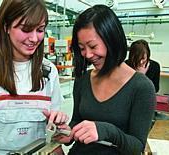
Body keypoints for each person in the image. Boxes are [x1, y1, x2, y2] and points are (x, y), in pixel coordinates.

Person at [0, 0, 68, 154]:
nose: (34, 38)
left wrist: (59, 126)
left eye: (40, 30)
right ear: (6, 27)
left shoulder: (49, 71)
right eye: (26, 29)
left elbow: (54, 131)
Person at [55, 5, 156, 155]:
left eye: (93, 46)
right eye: (82, 48)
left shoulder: (141, 87)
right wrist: (66, 131)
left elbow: (137, 147)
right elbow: (77, 121)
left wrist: (106, 130)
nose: (88, 55)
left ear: (112, 39)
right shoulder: (83, 79)